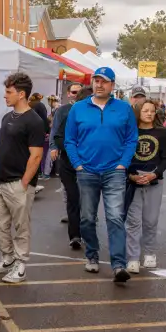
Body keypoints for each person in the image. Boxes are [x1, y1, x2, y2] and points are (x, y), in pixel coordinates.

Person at [65, 67, 138, 283]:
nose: (99, 84)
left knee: (115, 217)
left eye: (104, 81)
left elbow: (131, 139)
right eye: (96, 80)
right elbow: (70, 140)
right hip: (87, 171)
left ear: (112, 85)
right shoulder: (78, 108)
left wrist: (123, 164)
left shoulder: (124, 109)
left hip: (114, 171)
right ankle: (92, 254)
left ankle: (119, 265)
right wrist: (78, 164)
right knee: (87, 218)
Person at [0, 73, 44, 284]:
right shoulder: (7, 117)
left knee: (21, 227)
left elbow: (36, 156)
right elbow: (2, 145)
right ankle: (8, 258)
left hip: (19, 182)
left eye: (9, 92)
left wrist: (24, 183)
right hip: (0, 180)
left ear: (21, 94)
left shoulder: (35, 121)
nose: (5, 96)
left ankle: (20, 266)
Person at [126, 99, 166, 274]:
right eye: (145, 111)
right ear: (138, 112)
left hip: (154, 180)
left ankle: (150, 253)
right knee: (133, 221)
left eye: (152, 111)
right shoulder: (130, 131)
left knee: (151, 220)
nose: (149, 114)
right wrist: (131, 175)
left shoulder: (162, 132)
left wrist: (155, 174)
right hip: (133, 181)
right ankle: (133, 257)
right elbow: (124, 156)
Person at [50, 83, 87, 248]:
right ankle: (75, 235)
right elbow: (57, 134)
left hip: (89, 165)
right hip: (69, 163)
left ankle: (86, 229)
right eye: (74, 92)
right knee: (72, 197)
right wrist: (59, 147)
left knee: (86, 199)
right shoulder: (65, 112)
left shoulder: (97, 116)